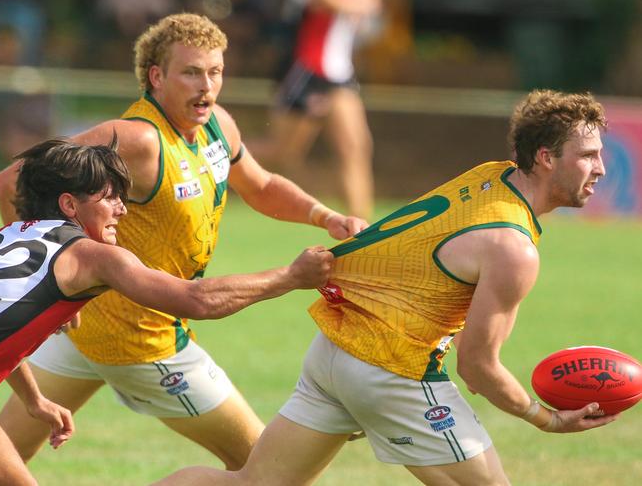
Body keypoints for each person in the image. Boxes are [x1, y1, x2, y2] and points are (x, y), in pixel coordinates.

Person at [152, 89, 620, 486]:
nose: (600, 167)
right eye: (587, 156)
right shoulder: (514, 249)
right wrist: (546, 419)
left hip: (334, 352)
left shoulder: (492, 175)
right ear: (545, 158)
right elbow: (477, 368)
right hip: (391, 369)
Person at [0, 13, 366, 470]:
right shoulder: (137, 139)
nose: (206, 86)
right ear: (156, 76)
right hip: (144, 342)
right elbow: (14, 178)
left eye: (215, 72)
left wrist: (324, 216)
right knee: (267, 469)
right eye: (191, 72)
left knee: (3, 461)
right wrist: (44, 276)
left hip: (82, 331)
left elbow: (262, 185)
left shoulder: (217, 127)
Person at [0, 137, 333, 485]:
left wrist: (34, 400)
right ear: (69, 204)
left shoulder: (6, 236)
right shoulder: (91, 256)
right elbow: (196, 299)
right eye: (110, 197)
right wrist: (291, 276)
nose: (122, 209)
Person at [250, 0, 380, 219]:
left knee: (356, 148)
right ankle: (218, 153)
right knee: (282, 152)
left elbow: (372, 5)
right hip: (309, 72)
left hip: (340, 77)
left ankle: (361, 229)